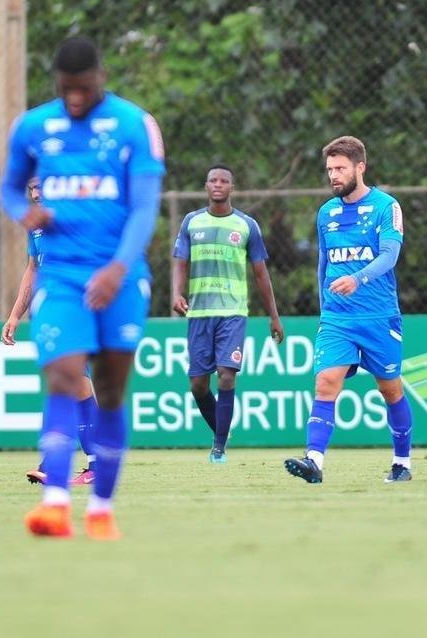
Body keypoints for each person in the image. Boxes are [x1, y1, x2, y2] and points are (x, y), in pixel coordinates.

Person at [0, 36, 164, 540]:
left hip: (120, 276)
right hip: (63, 276)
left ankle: (101, 510)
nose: (74, 98)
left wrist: (119, 266)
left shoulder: (135, 125)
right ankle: (54, 504)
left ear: (102, 77)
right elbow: (8, 187)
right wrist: (22, 211)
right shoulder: (32, 127)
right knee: (65, 377)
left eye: (84, 88)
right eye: (66, 89)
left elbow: (143, 206)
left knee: (111, 390)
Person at [284, 136, 413, 485]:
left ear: (360, 167)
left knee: (390, 389)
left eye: (340, 169)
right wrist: (325, 309)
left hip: (378, 315)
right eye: (330, 170)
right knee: (325, 383)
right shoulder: (326, 213)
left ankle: (402, 462)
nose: (334, 176)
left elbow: (390, 255)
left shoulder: (387, 206)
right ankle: (313, 462)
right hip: (338, 319)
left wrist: (358, 278)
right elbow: (323, 265)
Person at [171, 165, 284, 463]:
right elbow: (180, 262)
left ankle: (218, 448)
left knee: (226, 377)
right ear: (206, 186)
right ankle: (222, 430)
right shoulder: (191, 222)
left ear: (232, 187)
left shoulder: (247, 225)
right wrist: (176, 293)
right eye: (212, 180)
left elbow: (261, 274)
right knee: (198, 385)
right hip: (199, 314)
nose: (218, 185)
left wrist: (274, 316)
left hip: (233, 313)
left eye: (224, 181)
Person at [0, 178, 96, 487]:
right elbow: (33, 268)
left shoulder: (78, 215)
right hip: (51, 314)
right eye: (30, 189)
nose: (36, 193)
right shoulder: (35, 225)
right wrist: (16, 314)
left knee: (73, 383)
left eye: (41, 186)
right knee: (74, 385)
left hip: (79, 309)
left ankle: (71, 463)